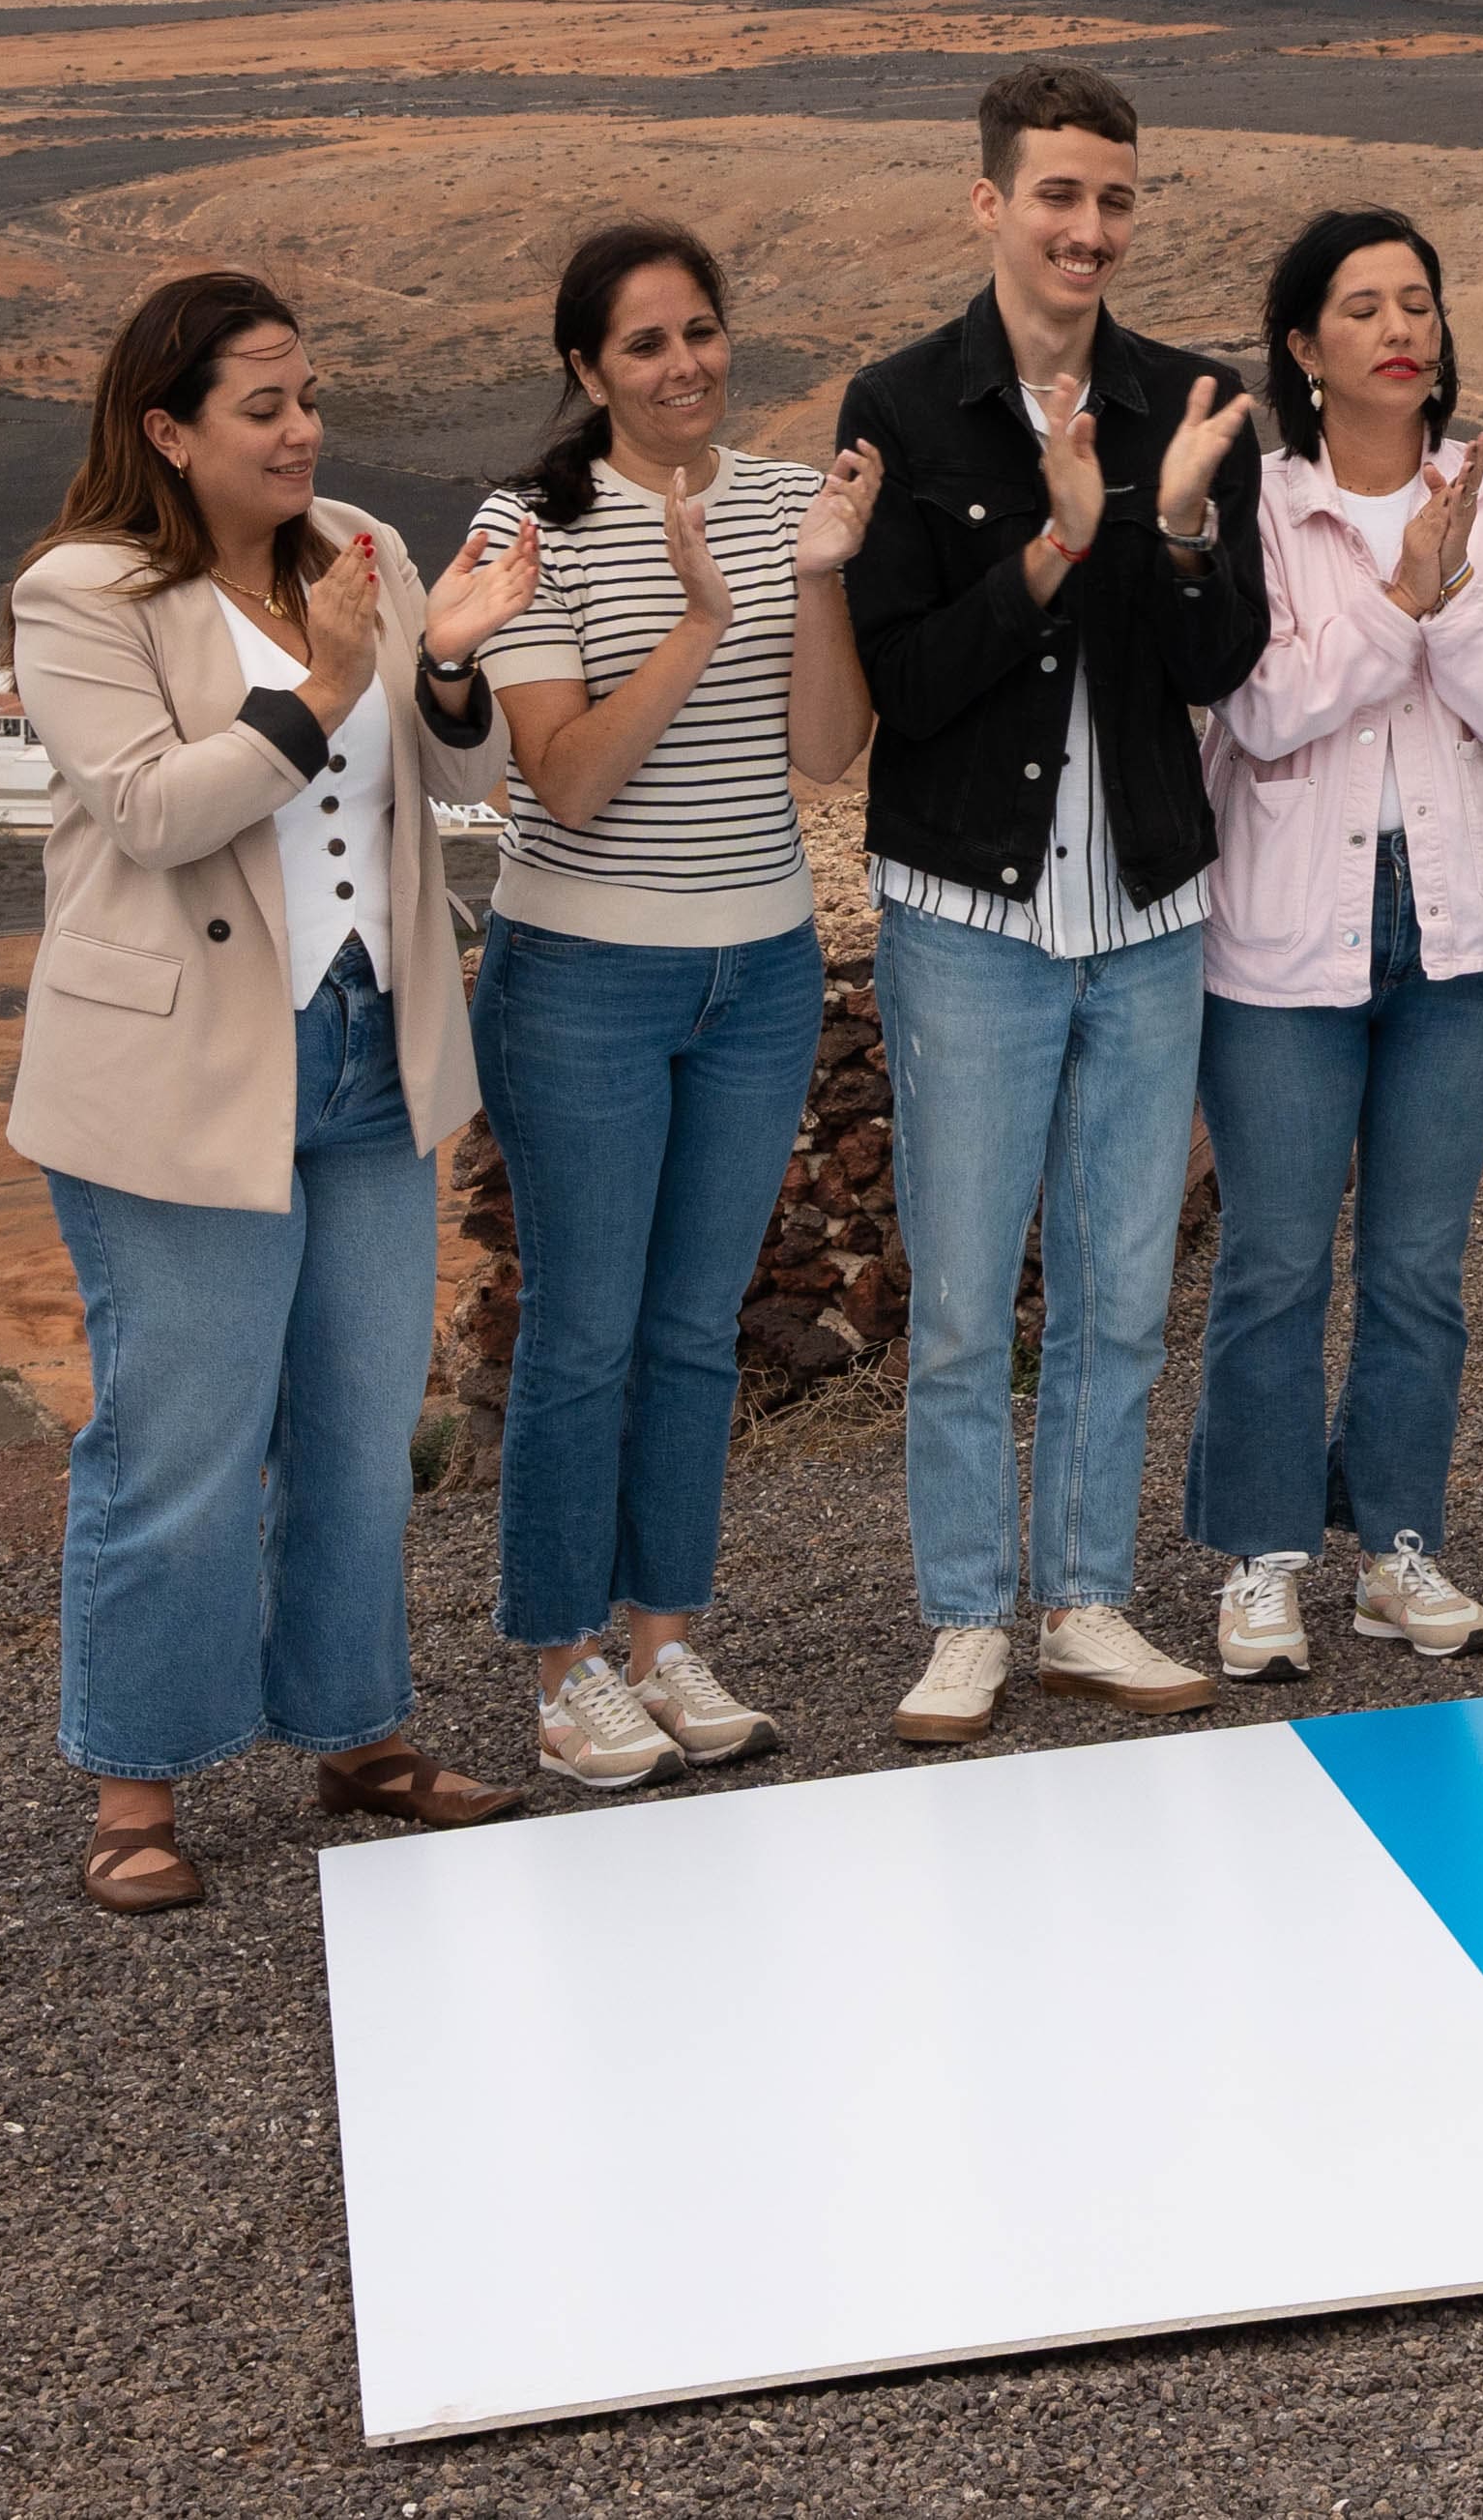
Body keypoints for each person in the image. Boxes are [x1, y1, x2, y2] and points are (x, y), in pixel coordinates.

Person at [4, 269, 536, 1914]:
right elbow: (159, 813)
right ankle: (137, 1788)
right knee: (179, 1440)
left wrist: (442, 665)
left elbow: (459, 776)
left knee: (364, 1429)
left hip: (371, 1042)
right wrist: (311, 690)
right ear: (167, 429)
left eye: (309, 398)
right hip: (176, 1072)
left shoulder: (357, 549)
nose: (304, 430)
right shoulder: (82, 594)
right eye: (263, 406)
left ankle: (355, 1729)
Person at [837, 64, 1271, 1741]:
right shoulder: (901, 403)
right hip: (968, 911)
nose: (1089, 229)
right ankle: (965, 1617)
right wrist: (1044, 555)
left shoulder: (1189, 398)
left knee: (1118, 1281)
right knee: (958, 1292)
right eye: (1059, 196)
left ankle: (1086, 1602)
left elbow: (1217, 659)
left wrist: (1166, 533)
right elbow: (900, 687)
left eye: (1116, 199)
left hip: (1150, 910)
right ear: (990, 204)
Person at [457, 221, 878, 1791]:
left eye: (701, 330)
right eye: (644, 343)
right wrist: (699, 623)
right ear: (587, 367)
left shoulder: (783, 505)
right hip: (583, 977)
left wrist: (816, 582)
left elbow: (828, 749)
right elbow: (560, 777)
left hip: (759, 969)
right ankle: (566, 1672)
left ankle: (664, 1642)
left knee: (696, 1331)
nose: (684, 363)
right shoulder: (534, 522)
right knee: (585, 1332)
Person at [1185, 207, 1483, 1682]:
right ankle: (1265, 1556)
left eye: (1419, 300)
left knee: (1418, 1262)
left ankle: (1399, 1543)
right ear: (1303, 344)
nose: (1400, 326)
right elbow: (1262, 709)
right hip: (1285, 945)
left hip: (1468, 948)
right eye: (1362, 307)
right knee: (1275, 1260)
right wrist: (1405, 599)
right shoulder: (1257, 508)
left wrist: (1448, 590)